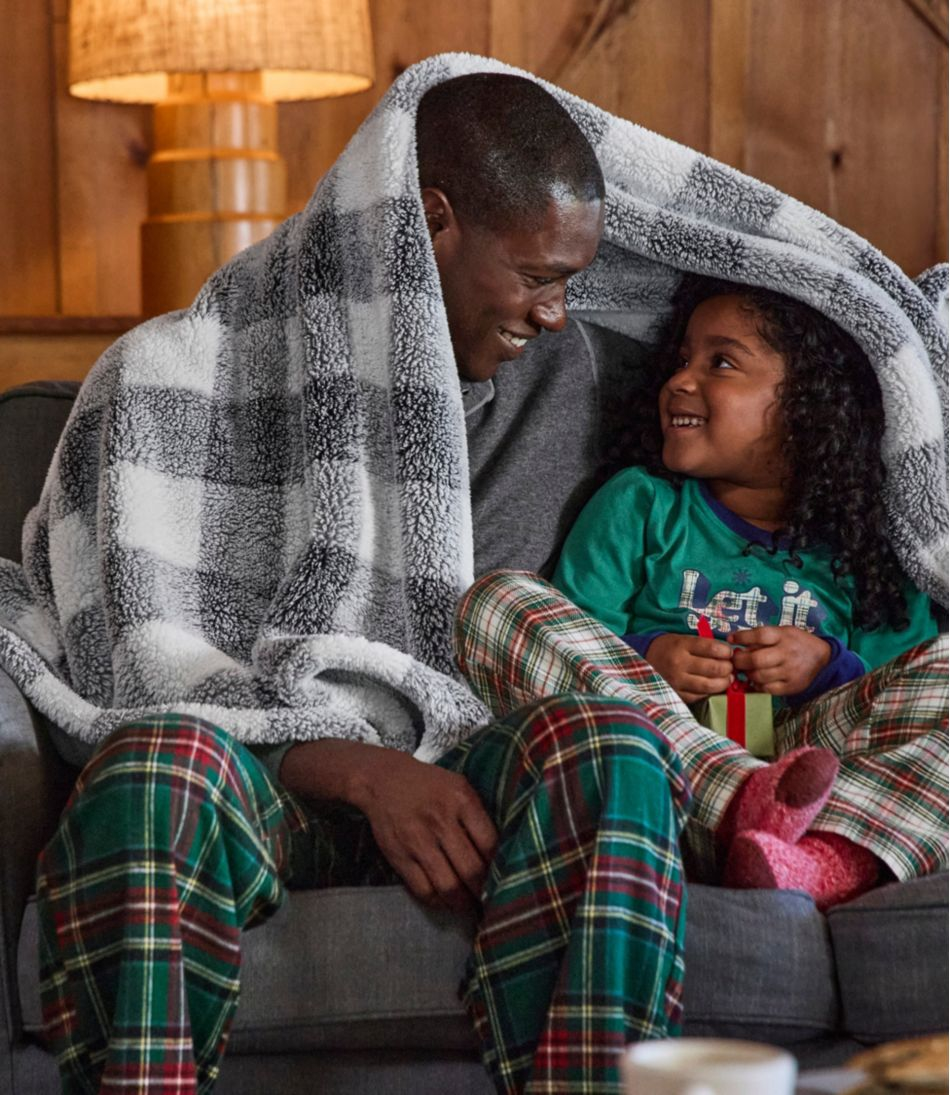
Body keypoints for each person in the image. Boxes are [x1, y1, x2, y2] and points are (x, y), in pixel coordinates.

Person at [22, 72, 691, 1095]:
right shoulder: (166, 376)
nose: (556, 316)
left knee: (611, 744)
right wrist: (368, 775)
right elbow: (133, 667)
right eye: (535, 277)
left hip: (472, 770)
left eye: (570, 285)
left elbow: (762, 323)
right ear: (433, 220)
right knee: (153, 769)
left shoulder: (569, 381)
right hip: (260, 783)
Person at [455, 274, 948, 915]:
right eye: (681, 359)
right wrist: (649, 656)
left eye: (721, 362)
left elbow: (897, 695)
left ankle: (828, 861)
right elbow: (575, 641)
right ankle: (741, 804)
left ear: (811, 405)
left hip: (812, 761)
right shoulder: (640, 504)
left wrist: (828, 667)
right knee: (500, 603)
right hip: (660, 766)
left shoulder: (865, 553)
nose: (680, 381)